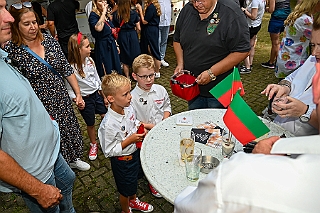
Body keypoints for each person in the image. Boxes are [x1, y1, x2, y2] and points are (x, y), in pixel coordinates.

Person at [174, 35, 320, 211]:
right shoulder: (314, 59)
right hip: (281, 135)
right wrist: (284, 87)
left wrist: (305, 111)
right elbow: (294, 77)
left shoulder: (240, 173)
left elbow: (188, 204)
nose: (314, 52)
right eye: (313, 45)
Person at [0, 0, 76, 211]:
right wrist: (37, 189)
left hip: (51, 151)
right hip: (35, 170)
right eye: (0, 9)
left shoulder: (3, 57)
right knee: (52, 206)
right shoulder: (13, 52)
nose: (8, 17)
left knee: (68, 181)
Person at [4, 5, 90, 171]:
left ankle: (73, 159)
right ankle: (56, 167)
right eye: (27, 23)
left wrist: (78, 94)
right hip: (39, 104)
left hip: (61, 97)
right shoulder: (12, 50)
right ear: (17, 26)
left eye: (35, 22)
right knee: (49, 136)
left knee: (68, 128)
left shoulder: (49, 40)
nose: (33, 27)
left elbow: (65, 68)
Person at [173, 0, 250, 110]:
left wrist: (212, 72)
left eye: (201, 0)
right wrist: (180, 64)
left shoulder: (231, 14)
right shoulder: (188, 9)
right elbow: (177, 40)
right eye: (193, 1)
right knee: (197, 122)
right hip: (194, 88)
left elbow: (242, 51)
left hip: (221, 89)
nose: (196, 4)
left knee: (218, 124)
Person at [98, 72, 154, 213]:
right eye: (125, 94)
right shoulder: (108, 125)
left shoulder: (128, 108)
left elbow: (133, 122)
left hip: (134, 154)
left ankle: (133, 201)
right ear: (111, 98)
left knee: (133, 182)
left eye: (129, 92)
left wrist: (140, 128)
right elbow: (108, 151)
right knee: (124, 190)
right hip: (123, 161)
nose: (130, 96)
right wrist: (129, 140)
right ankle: (125, 209)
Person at [131, 54, 171, 197]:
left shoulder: (160, 90)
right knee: (149, 158)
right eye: (144, 77)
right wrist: (151, 127)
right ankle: (152, 181)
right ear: (135, 76)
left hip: (162, 129)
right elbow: (133, 120)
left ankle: (163, 174)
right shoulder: (132, 97)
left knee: (163, 154)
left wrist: (164, 121)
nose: (149, 80)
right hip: (146, 135)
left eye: (151, 75)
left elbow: (167, 106)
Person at [67, 32, 108, 161]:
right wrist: (77, 100)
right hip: (85, 100)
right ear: (78, 50)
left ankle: (108, 137)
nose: (90, 48)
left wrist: (104, 96)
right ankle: (93, 144)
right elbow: (70, 90)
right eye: (87, 47)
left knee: (106, 116)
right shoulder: (71, 69)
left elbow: (96, 78)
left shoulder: (90, 60)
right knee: (90, 124)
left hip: (97, 95)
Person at [275, 0, 320, 79]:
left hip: (286, 57)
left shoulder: (298, 15)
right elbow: (316, 37)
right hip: (294, 61)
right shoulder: (305, 20)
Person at [89, 0, 122, 78]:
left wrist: (116, 45)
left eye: (104, 0)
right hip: (103, 46)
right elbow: (99, 28)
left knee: (116, 67)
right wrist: (103, 12)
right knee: (107, 68)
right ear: (95, 3)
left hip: (111, 43)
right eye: (100, 1)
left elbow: (111, 31)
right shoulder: (93, 15)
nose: (103, 3)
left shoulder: (106, 15)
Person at [113, 0, 141, 78]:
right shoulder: (134, 13)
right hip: (132, 35)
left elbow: (115, 27)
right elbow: (139, 28)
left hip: (122, 35)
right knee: (136, 56)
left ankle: (127, 76)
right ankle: (136, 76)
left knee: (124, 58)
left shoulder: (116, 15)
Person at [261, 0, 291, 69]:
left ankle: (273, 62)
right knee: (279, 42)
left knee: (275, 43)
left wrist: (265, 8)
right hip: (286, 18)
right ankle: (273, 61)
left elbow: (271, 9)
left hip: (277, 18)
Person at [136, 0, 161, 78]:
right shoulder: (153, 5)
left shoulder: (151, 7)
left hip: (150, 30)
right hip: (152, 30)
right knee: (151, 49)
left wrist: (140, 10)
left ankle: (157, 71)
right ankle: (155, 69)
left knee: (154, 50)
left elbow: (144, 21)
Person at [239, 0, 265, 74]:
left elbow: (253, 16)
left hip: (251, 26)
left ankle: (247, 67)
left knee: (245, 45)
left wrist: (244, 10)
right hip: (257, 25)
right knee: (251, 45)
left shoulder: (255, 2)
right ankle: (250, 64)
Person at [158, 0, 171, 67]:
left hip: (167, 21)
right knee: (158, 41)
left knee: (164, 41)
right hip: (158, 22)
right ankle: (157, 59)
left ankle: (162, 58)